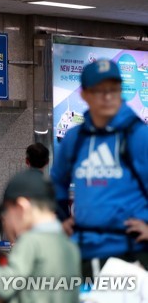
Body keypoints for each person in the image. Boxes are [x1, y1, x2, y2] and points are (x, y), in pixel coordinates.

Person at [51, 59, 148, 276]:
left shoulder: (140, 136)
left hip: (132, 255)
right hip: (83, 254)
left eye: (113, 89)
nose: (107, 97)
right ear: (84, 94)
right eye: (99, 90)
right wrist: (60, 218)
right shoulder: (74, 139)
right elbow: (57, 181)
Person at [0, 169, 81, 303]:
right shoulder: (70, 246)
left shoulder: (31, 241)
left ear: (21, 207)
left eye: (7, 210)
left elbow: (4, 286)